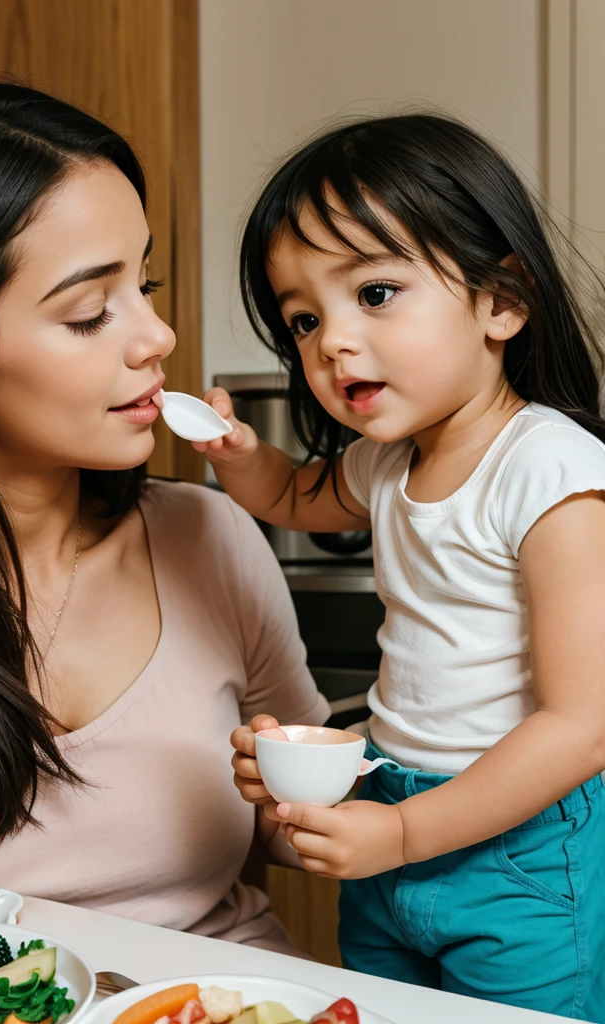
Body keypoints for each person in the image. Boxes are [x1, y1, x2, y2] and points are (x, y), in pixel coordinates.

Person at [200, 114, 605, 1017]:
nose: (331, 342)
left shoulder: (550, 470)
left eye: (374, 293)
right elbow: (300, 498)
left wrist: (408, 833)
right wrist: (237, 456)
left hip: (519, 849)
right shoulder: (389, 459)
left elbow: (582, 727)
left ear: (503, 302)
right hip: (390, 800)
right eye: (304, 318)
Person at [0, 79, 328, 952]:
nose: (156, 338)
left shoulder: (207, 537)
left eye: (144, 284)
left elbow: (294, 825)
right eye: (88, 312)